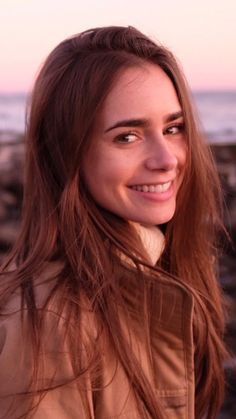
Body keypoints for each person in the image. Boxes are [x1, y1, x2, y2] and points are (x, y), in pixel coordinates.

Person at [0, 26, 229, 419]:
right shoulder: (48, 326)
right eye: (127, 137)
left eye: (173, 128)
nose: (167, 158)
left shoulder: (160, 273)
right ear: (66, 152)